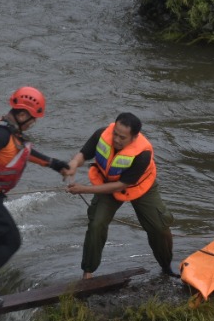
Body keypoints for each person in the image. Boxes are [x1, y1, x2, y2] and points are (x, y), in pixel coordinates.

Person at [0, 86, 70, 308]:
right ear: (22, 114)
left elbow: (23, 152)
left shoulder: (10, 131)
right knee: (11, 240)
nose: (33, 123)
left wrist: (54, 164)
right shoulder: (1, 134)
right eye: (33, 119)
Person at [63, 112, 175, 278]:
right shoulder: (102, 134)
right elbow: (84, 154)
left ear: (134, 137)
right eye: (115, 133)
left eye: (122, 137)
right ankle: (88, 273)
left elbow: (122, 185)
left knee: (159, 227)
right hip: (107, 180)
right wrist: (73, 163)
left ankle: (166, 268)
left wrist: (83, 189)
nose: (116, 139)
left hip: (139, 186)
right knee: (96, 224)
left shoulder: (143, 153)